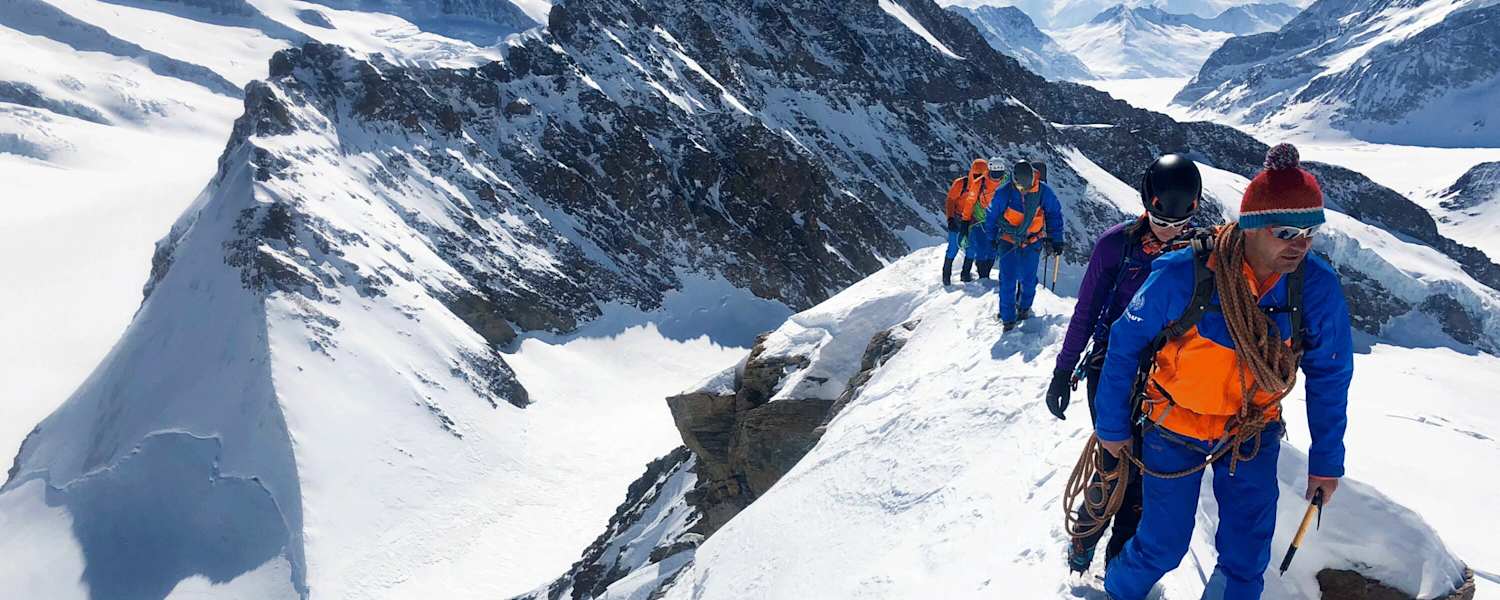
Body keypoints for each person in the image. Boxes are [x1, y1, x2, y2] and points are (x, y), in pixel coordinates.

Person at [1092, 144, 1353, 600]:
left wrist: (1327, 461)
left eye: (1311, 230)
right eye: (1287, 230)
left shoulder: (1314, 286)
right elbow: (1124, 344)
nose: (1301, 244)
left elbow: (1330, 373)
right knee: (1162, 546)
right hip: (1174, 423)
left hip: (1252, 430)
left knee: (1247, 558)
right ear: (1251, 228)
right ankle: (1118, 591)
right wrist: (1112, 426)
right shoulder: (1183, 273)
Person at [1046, 154, 1206, 573]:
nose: (1170, 231)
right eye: (1161, 220)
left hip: (1172, 376)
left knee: (1146, 473)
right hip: (1112, 368)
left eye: (1178, 225)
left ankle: (1119, 558)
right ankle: (1086, 536)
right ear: (1146, 204)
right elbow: (1086, 311)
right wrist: (1064, 370)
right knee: (1115, 462)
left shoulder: (1201, 252)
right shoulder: (1116, 246)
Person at [984, 159, 1064, 330]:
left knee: (1028, 280)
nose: (1023, 191)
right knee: (1007, 280)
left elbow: (1054, 214)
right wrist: (991, 237)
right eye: (1020, 188)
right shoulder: (1005, 192)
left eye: (1026, 187)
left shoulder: (1043, 191)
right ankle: (1008, 319)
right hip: (1008, 240)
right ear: (1014, 180)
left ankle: (1024, 309)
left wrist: (1056, 239)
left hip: (1032, 241)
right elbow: (991, 215)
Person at [943, 158, 998, 285]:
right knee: (953, 247)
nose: (978, 177)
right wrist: (950, 218)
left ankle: (965, 274)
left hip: (973, 221)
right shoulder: (960, 184)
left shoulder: (985, 187)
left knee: (972, 248)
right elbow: (950, 200)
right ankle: (946, 276)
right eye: (976, 174)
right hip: (957, 219)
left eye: (981, 174)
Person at [966, 159, 1008, 280]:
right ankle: (983, 276)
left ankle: (985, 276)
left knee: (992, 249)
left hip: (996, 222)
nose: (996, 176)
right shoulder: (980, 183)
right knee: (982, 248)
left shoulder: (1007, 182)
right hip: (981, 221)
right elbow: (970, 202)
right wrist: (965, 221)